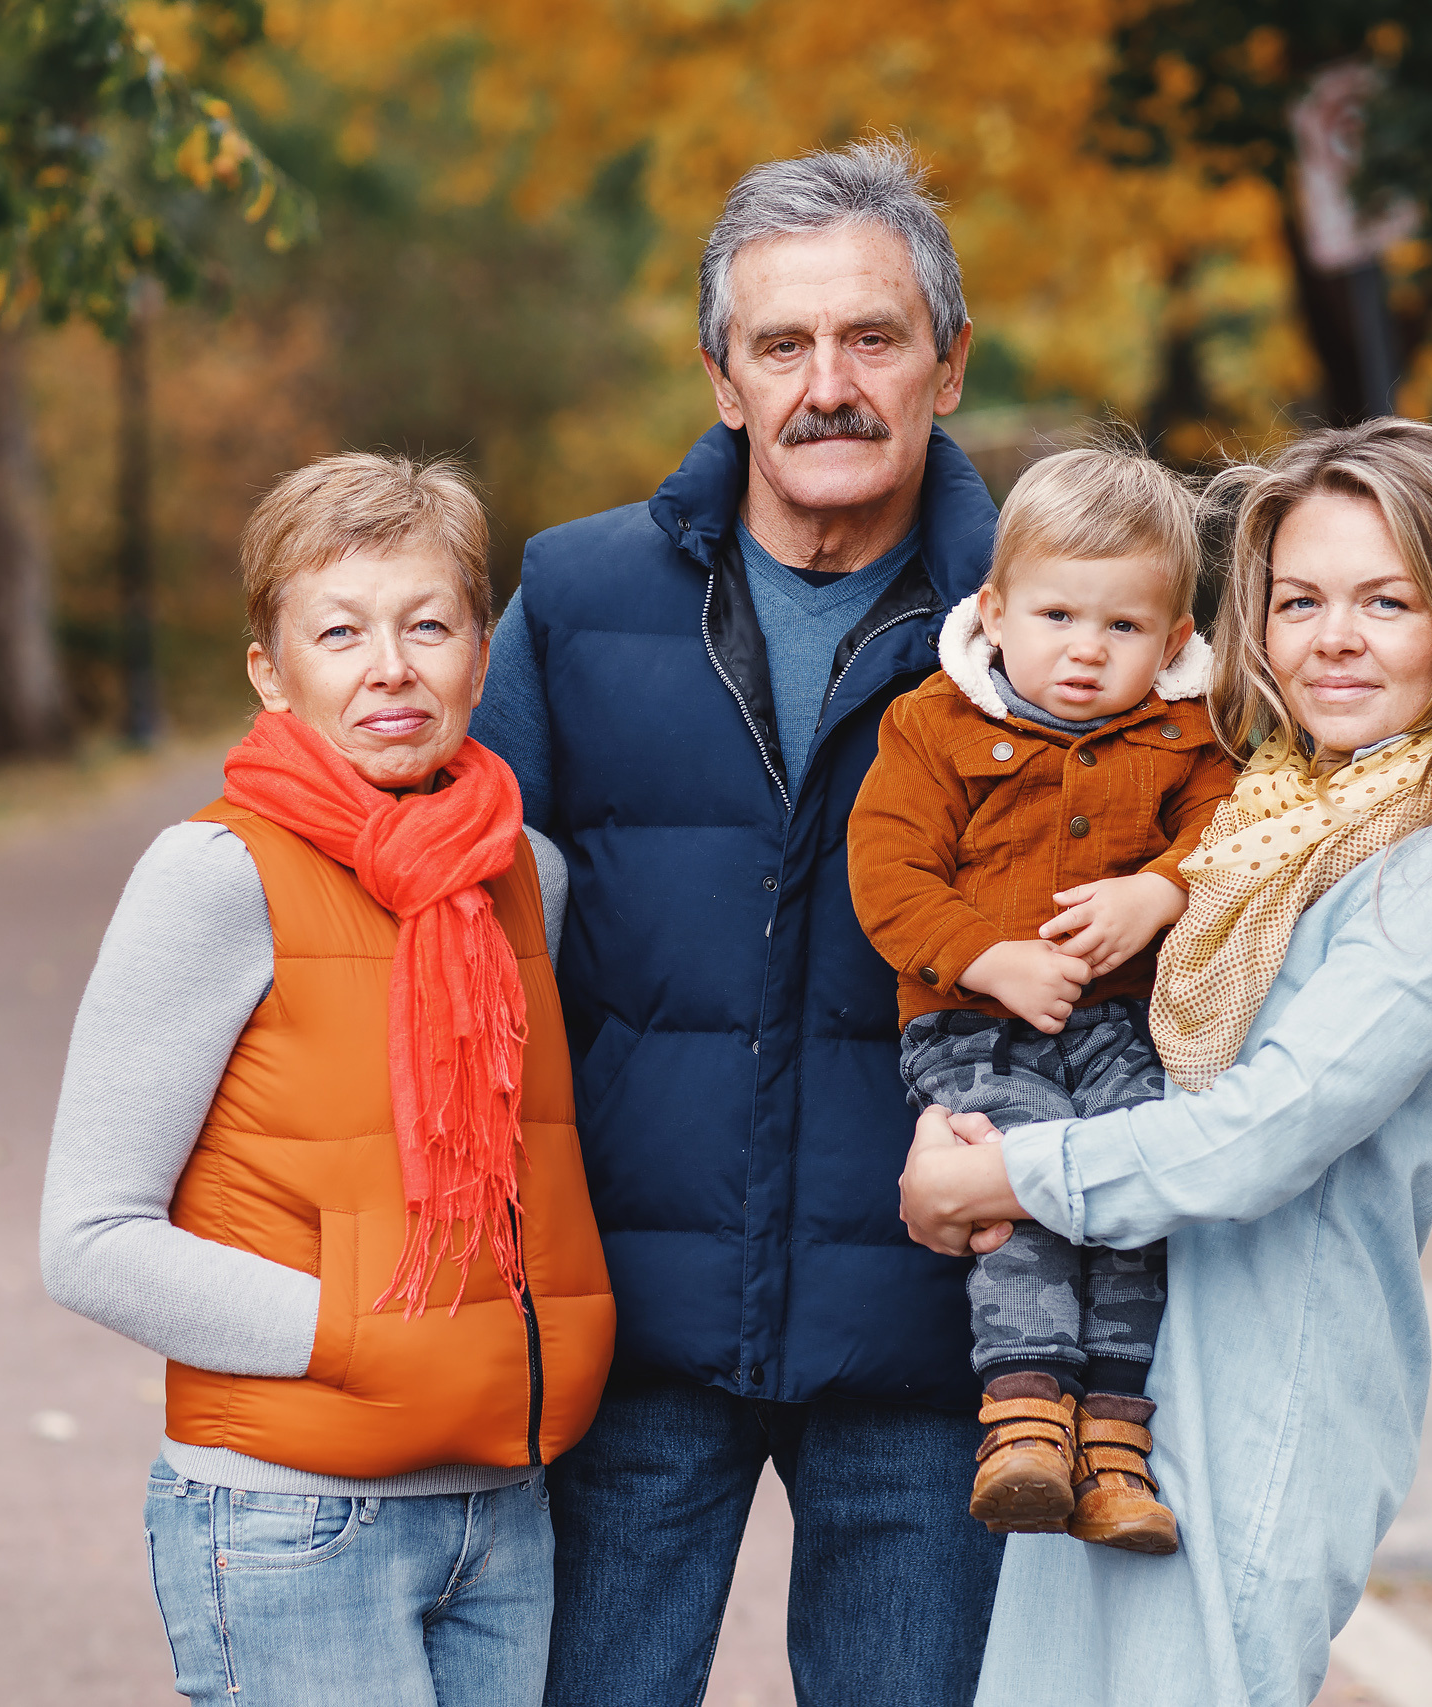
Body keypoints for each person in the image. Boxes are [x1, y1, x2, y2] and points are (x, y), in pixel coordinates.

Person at [898, 417, 1432, 1705]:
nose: (1333, 636)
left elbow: (1268, 1129)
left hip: (1266, 1381)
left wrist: (1009, 1174)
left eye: (1388, 601)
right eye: (1297, 600)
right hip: (1126, 1366)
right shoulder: (1262, 815)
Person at [466, 137, 1005, 1703]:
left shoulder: (1046, 624)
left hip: (931, 1322)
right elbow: (460, 908)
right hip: (628, 1323)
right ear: (724, 379)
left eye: (872, 338)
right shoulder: (576, 598)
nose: (826, 384)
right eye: (782, 344)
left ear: (947, 365)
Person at [40, 453, 614, 1707]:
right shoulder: (213, 877)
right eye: (339, 631)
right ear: (272, 670)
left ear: (480, 651)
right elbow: (88, 1238)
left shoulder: (526, 874)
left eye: (428, 625)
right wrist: (366, 1338)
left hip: (502, 1509)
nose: (389, 668)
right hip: (291, 1522)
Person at [847, 444, 1235, 1555]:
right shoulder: (935, 727)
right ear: (996, 611)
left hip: (1117, 1023)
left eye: (1121, 629)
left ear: (1171, 643)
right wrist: (983, 958)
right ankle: (1023, 1420)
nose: (1084, 651)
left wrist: (1158, 894)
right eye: (1058, 615)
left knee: (1126, 1177)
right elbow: (886, 876)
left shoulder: (1186, 733)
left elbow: (1229, 832)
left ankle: (1114, 1442)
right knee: (1019, 1172)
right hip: (972, 1029)